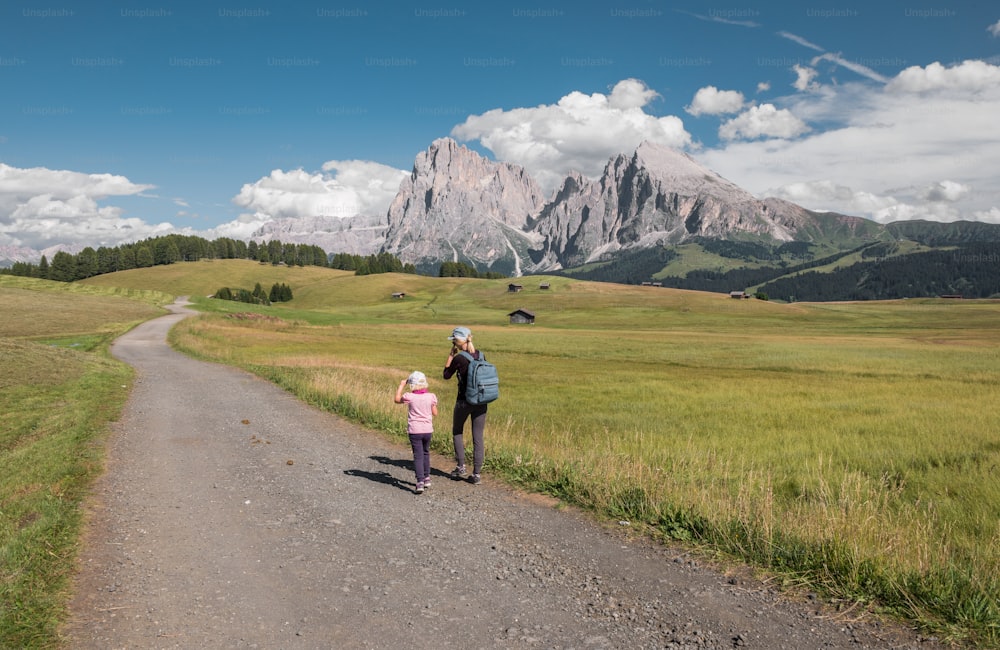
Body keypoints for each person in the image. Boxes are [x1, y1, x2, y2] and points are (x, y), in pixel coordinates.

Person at [443, 326, 487, 484]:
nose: (453, 342)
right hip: (481, 401)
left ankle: (461, 466)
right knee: (478, 437)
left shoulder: (459, 358)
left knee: (457, 431)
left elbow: (446, 375)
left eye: (454, 340)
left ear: (458, 341)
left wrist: (450, 357)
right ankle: (476, 474)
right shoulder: (481, 355)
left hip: (464, 401)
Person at [394, 370, 438, 494]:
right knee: (426, 453)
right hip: (428, 430)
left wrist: (401, 385)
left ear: (412, 384)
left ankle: (420, 482)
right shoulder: (431, 396)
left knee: (417, 455)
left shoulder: (409, 396)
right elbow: (435, 413)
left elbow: (397, 399)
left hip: (415, 430)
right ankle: (427, 477)